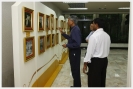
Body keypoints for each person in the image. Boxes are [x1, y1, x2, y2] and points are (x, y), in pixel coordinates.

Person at [83, 18, 111, 87]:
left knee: (93, 82)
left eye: (93, 23)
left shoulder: (94, 36)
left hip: (95, 62)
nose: (91, 25)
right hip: (104, 61)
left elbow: (90, 52)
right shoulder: (107, 35)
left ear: (96, 24)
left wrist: (85, 64)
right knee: (101, 81)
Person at [59, 15, 81, 87]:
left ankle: (77, 86)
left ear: (72, 21)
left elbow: (77, 43)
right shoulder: (73, 29)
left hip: (75, 52)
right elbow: (70, 38)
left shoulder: (76, 30)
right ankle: (76, 85)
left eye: (68, 20)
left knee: (75, 70)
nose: (67, 22)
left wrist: (67, 45)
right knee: (74, 69)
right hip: (73, 52)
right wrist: (62, 33)